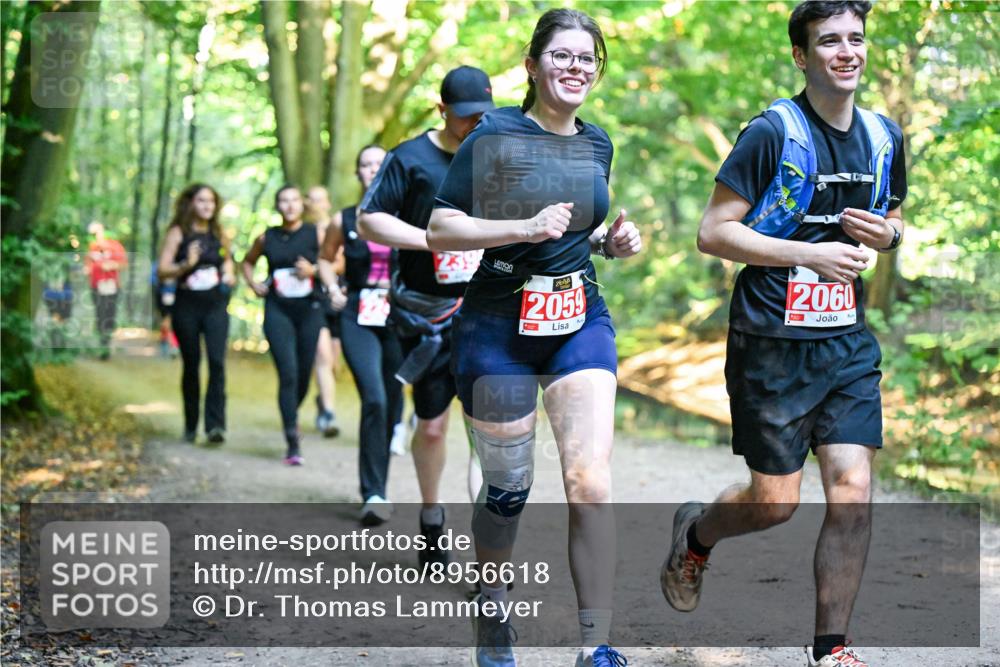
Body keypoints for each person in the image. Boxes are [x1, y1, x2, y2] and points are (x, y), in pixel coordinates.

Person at [661, 3, 907, 666]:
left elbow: (892, 217)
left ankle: (831, 648)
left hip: (847, 343)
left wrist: (892, 235)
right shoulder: (774, 132)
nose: (847, 51)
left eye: (856, 38)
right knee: (775, 504)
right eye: (829, 41)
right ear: (803, 56)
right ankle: (697, 534)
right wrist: (806, 255)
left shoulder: (884, 135)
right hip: (770, 341)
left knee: (853, 488)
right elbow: (714, 231)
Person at [428, 10, 642, 667]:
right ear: (532, 65)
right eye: (562, 56)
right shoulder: (493, 134)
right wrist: (518, 227)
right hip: (495, 326)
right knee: (506, 490)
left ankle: (596, 644)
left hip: (579, 317)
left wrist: (613, 241)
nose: (576, 68)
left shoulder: (598, 143)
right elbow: (441, 227)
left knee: (590, 480)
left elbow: (575, 231)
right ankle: (492, 608)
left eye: (587, 59)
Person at [358, 66, 495, 564]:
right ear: (442, 111)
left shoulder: (498, 152)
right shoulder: (409, 158)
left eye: (483, 116)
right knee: (433, 427)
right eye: (464, 118)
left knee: (489, 436)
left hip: (486, 312)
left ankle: (490, 555)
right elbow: (367, 219)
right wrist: (431, 240)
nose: (474, 125)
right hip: (426, 316)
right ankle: (432, 513)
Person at [320, 144, 404, 526]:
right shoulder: (345, 219)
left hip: (400, 315)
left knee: (391, 398)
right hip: (357, 314)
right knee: (374, 397)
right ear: (357, 174)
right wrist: (333, 290)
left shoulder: (408, 215)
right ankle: (373, 491)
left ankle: (380, 484)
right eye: (364, 164)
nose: (371, 169)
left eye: (379, 164)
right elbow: (325, 258)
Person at [241, 185, 326, 465]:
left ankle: (292, 413)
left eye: (293, 200)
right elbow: (247, 262)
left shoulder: (316, 233)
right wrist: (253, 284)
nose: (289, 206)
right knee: (287, 372)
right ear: (277, 205)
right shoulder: (268, 237)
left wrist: (313, 270)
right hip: (278, 310)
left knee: (302, 374)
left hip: (310, 310)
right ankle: (292, 439)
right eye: (283, 201)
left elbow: (337, 263)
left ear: (301, 204)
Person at [157, 184, 235, 444]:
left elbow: (227, 260)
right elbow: (162, 269)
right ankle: (191, 425)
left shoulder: (219, 232)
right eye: (201, 201)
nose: (206, 206)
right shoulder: (178, 232)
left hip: (215, 305)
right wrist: (185, 265)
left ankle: (215, 426)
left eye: (211, 201)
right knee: (192, 364)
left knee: (217, 362)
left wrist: (229, 272)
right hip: (186, 306)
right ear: (191, 203)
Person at [304, 185, 342, 438]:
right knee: (323, 357)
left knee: (334, 364)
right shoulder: (301, 231)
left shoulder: (338, 226)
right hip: (313, 301)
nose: (316, 204)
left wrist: (316, 271)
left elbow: (341, 263)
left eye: (320, 200)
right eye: (312, 199)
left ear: (328, 203)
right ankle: (329, 413)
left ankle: (323, 400)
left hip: (338, 300)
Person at [84, 222, 127, 359]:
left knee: (109, 315)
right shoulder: (92, 248)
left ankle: (106, 343)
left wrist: (112, 265)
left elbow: (124, 264)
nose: (95, 236)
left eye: (96, 232)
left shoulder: (115, 246)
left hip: (112, 286)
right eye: (92, 234)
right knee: (99, 314)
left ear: (102, 230)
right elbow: (87, 266)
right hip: (96, 286)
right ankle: (102, 344)